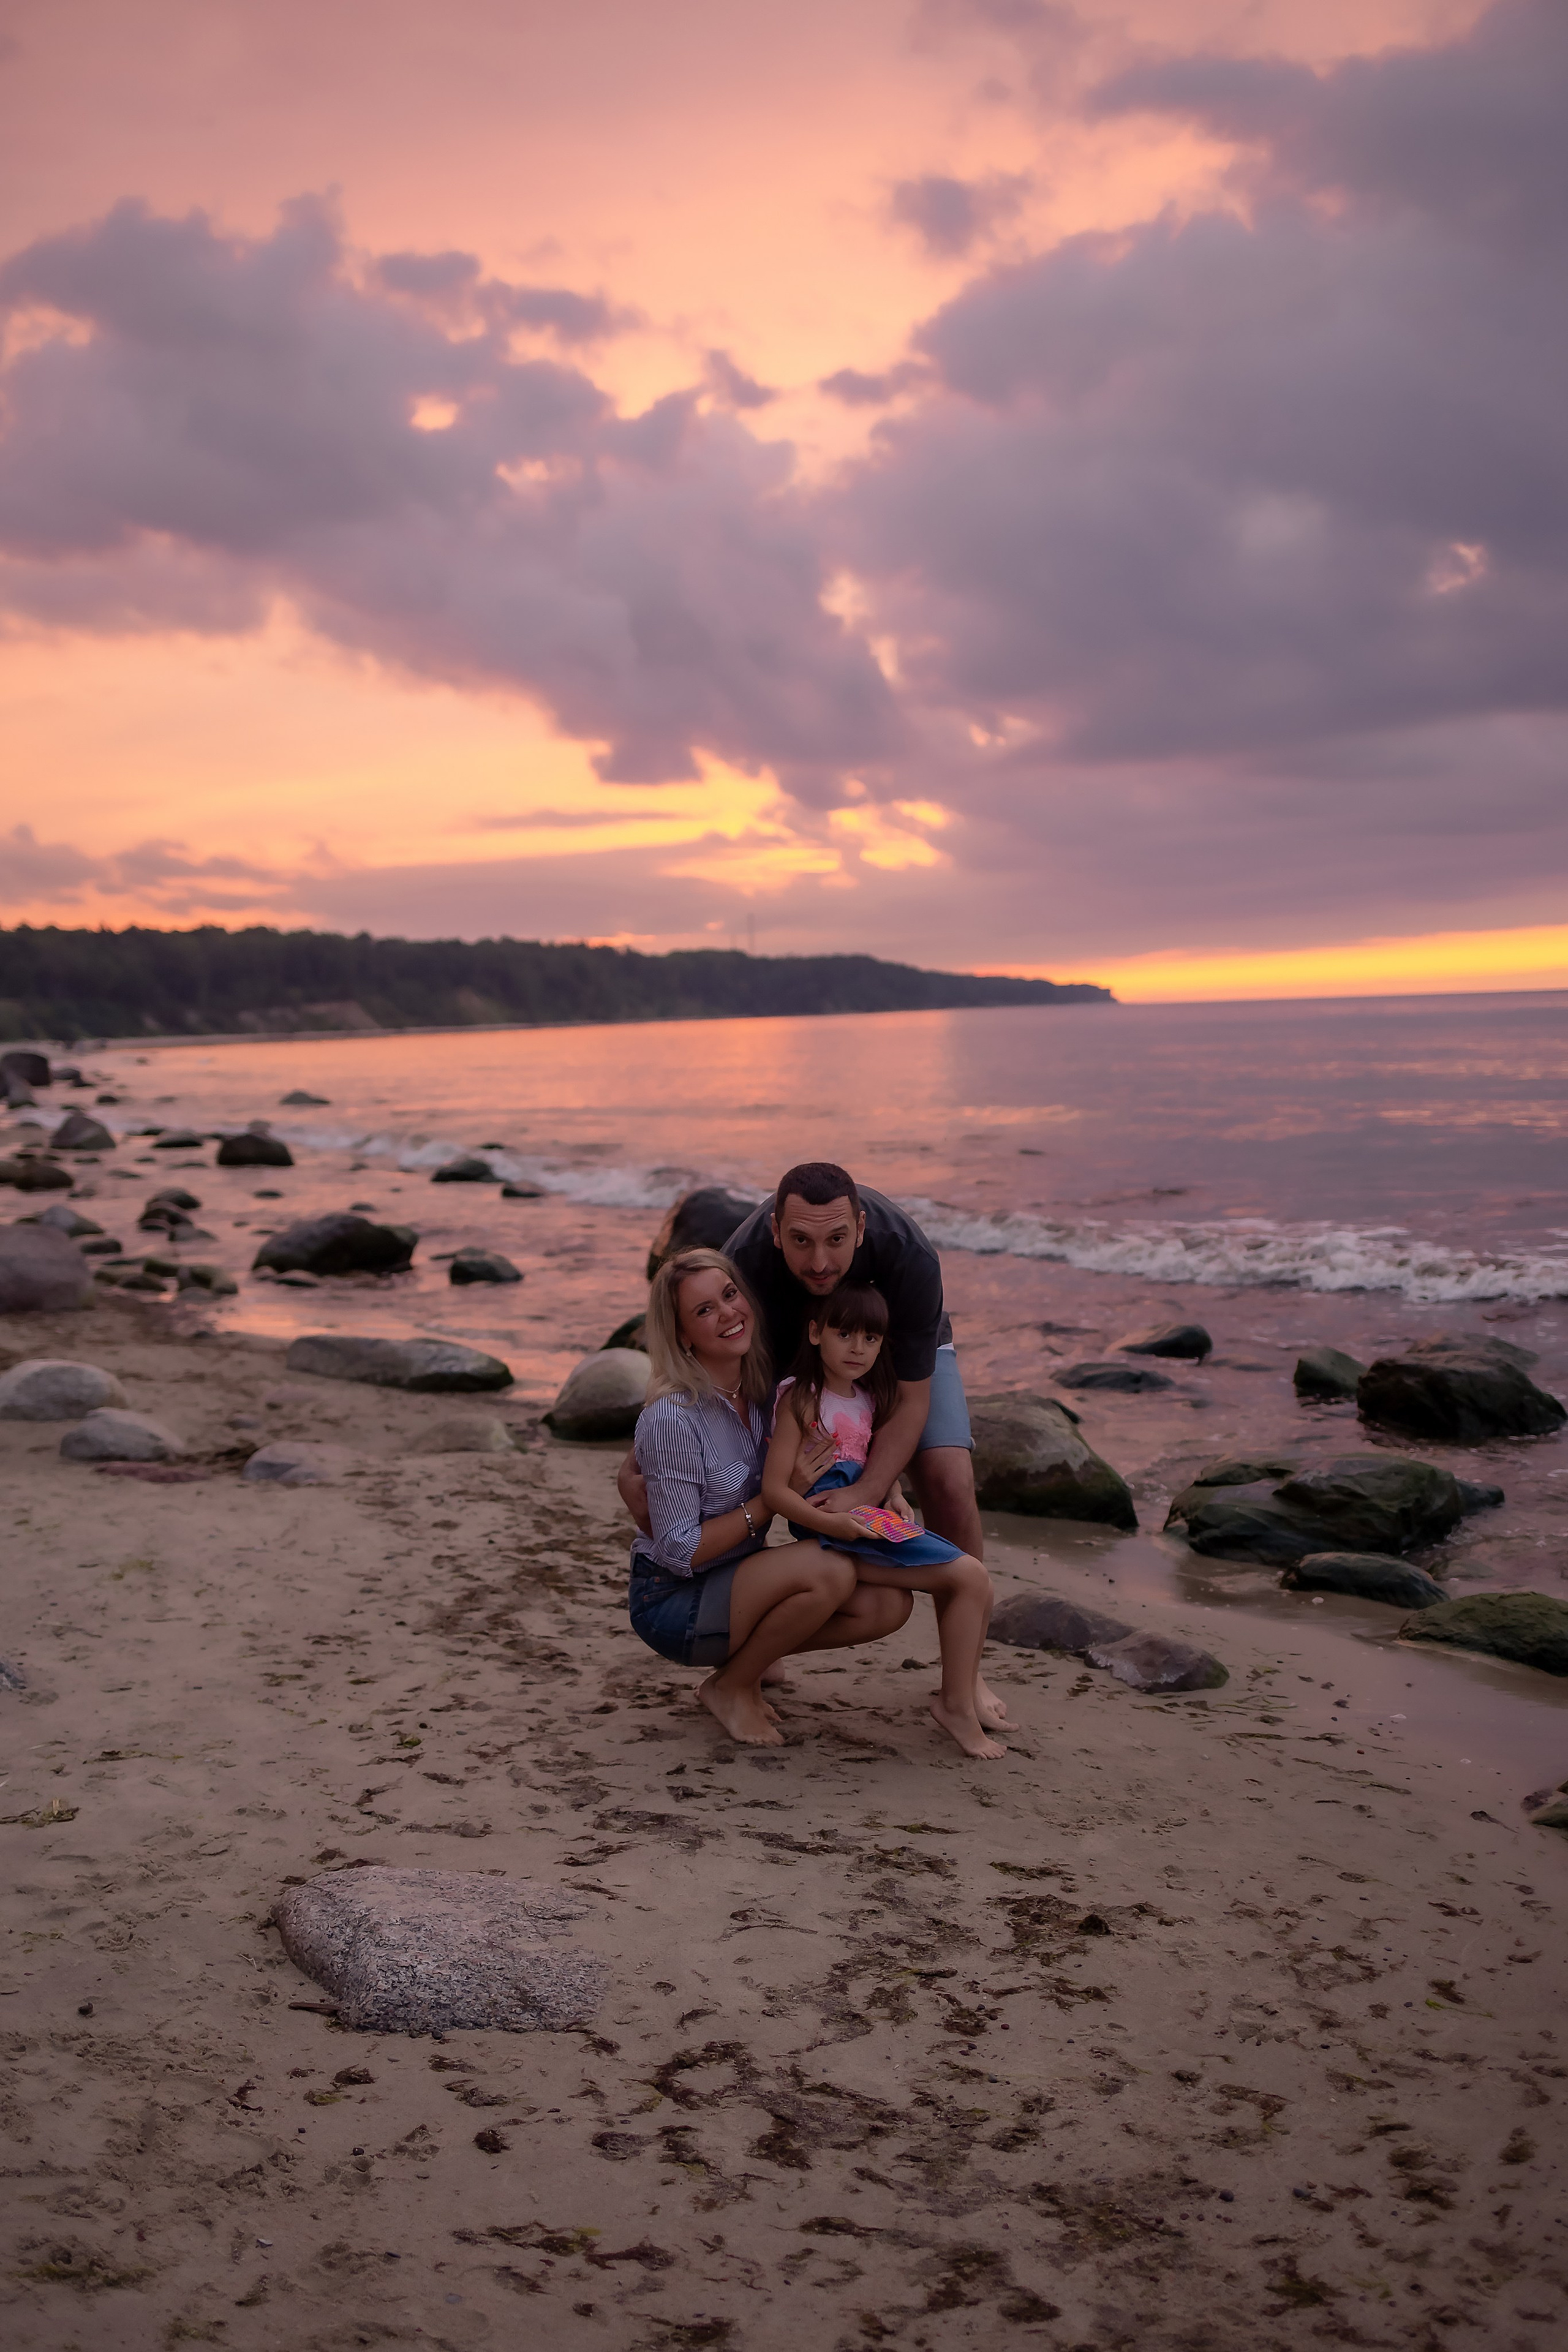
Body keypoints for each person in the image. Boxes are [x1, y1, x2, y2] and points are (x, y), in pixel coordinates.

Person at [627, 1246, 911, 1747]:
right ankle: (730, 1686)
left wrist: (890, 1487)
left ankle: (748, 1666)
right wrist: (777, 1497)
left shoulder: (766, 1396)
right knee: (831, 1570)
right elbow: (679, 1551)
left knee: (887, 1605)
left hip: (739, 1580)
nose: (729, 1313)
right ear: (681, 1335)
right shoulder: (672, 1418)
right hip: (674, 1601)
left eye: (730, 1295)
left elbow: (847, 1441)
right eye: (704, 1310)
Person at [761, 1281, 1005, 1759]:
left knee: (977, 1584)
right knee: (971, 1578)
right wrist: (829, 1524)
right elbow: (774, 1490)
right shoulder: (801, 1399)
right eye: (845, 1334)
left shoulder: (868, 1399)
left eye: (871, 1339)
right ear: (815, 1333)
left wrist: (891, 1491)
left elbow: (867, 1461)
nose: (858, 1348)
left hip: (865, 1517)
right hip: (835, 1524)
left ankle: (958, 1696)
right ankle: (956, 1704)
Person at [726, 1161, 982, 1555]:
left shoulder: (910, 1255)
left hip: (891, 1348)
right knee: (733, 1474)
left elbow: (911, 1399)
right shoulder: (743, 1261)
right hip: (782, 1353)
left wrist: (868, 1488)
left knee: (950, 1480)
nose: (819, 1263)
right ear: (776, 1231)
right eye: (800, 1241)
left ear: (861, 1228)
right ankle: (738, 1596)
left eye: (836, 1239)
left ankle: (966, 1604)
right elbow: (699, 1358)